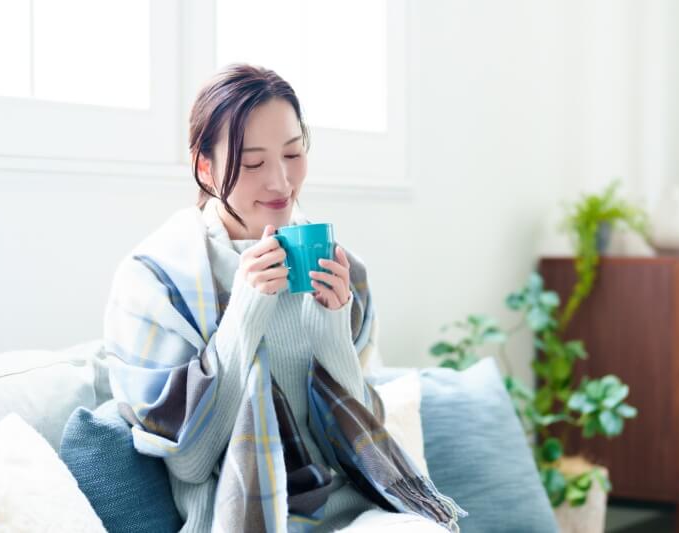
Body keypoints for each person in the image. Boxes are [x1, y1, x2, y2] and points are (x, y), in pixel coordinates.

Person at [103, 63, 465, 533]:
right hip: (246, 518)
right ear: (204, 167)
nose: (281, 182)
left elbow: (363, 436)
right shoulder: (156, 283)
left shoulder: (342, 270)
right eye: (253, 163)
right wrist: (246, 313)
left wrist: (331, 327)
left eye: (293, 154)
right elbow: (189, 464)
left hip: (354, 512)